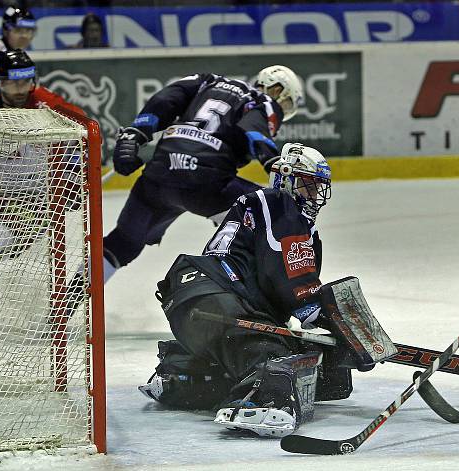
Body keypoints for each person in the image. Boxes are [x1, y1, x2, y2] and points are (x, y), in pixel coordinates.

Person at [141, 142, 345, 438]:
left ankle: (181, 375)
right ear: (285, 180)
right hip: (212, 296)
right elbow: (287, 278)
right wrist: (321, 317)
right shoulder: (277, 202)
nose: (313, 196)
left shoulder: (286, 219)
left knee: (283, 349)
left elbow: (275, 284)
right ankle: (260, 402)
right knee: (272, 355)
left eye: (317, 188)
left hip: (203, 298)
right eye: (306, 186)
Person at [103, 65, 303, 283]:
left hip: (158, 177)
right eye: (287, 102)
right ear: (276, 89)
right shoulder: (262, 101)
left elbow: (165, 99)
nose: (283, 108)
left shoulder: (206, 80)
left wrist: (136, 133)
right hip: (207, 185)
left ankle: (67, 299)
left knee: (123, 243)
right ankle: (285, 299)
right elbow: (254, 130)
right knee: (277, 215)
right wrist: (274, 165)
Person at [0, 49, 86, 306]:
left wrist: (72, 176)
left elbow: (83, 134)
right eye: (12, 82)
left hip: (33, 201)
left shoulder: (45, 103)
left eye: (25, 81)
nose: (20, 89)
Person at [0, 49, 84, 112]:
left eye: (26, 81)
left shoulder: (45, 101)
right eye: (14, 83)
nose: (21, 90)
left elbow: (84, 124)